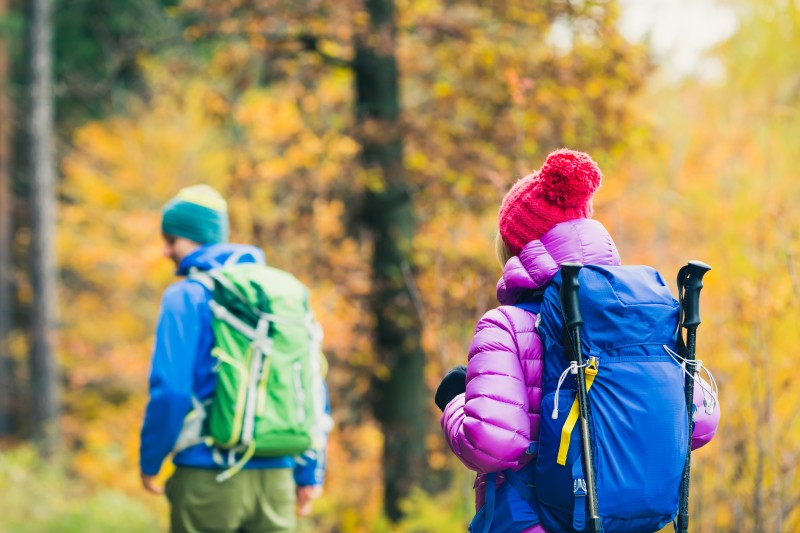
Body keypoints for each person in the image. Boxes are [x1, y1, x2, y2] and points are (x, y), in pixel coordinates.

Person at [435, 149, 720, 532]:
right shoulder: (639, 311)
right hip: (622, 522)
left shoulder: (505, 325)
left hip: (536, 519)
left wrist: (455, 403)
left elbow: (492, 444)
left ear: (515, 247)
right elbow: (700, 422)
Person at [139, 184, 327, 532]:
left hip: (206, 477)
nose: (165, 250)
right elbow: (309, 382)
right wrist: (310, 470)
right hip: (278, 478)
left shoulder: (186, 296)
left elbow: (171, 390)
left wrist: (150, 460)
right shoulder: (282, 292)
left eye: (171, 239)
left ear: (195, 239)